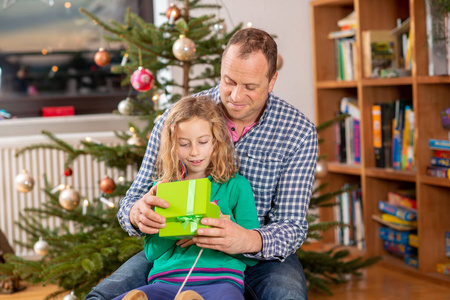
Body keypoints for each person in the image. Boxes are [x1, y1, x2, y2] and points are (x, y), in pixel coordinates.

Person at [87, 27, 318, 300]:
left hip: (259, 255)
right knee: (101, 297)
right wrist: (137, 215)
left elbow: (292, 224)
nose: (235, 96)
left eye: (250, 87)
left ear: (271, 80)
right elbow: (133, 201)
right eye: (229, 81)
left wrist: (245, 239)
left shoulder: (298, 132)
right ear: (220, 70)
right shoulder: (176, 120)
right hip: (176, 253)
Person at [112, 95, 260, 300]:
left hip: (221, 281)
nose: (194, 152)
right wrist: (175, 227)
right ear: (173, 145)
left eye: (202, 141)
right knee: (135, 296)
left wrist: (220, 229)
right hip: (167, 280)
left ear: (216, 142)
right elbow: (152, 253)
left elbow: (251, 256)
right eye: (184, 144)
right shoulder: (163, 189)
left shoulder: (236, 186)